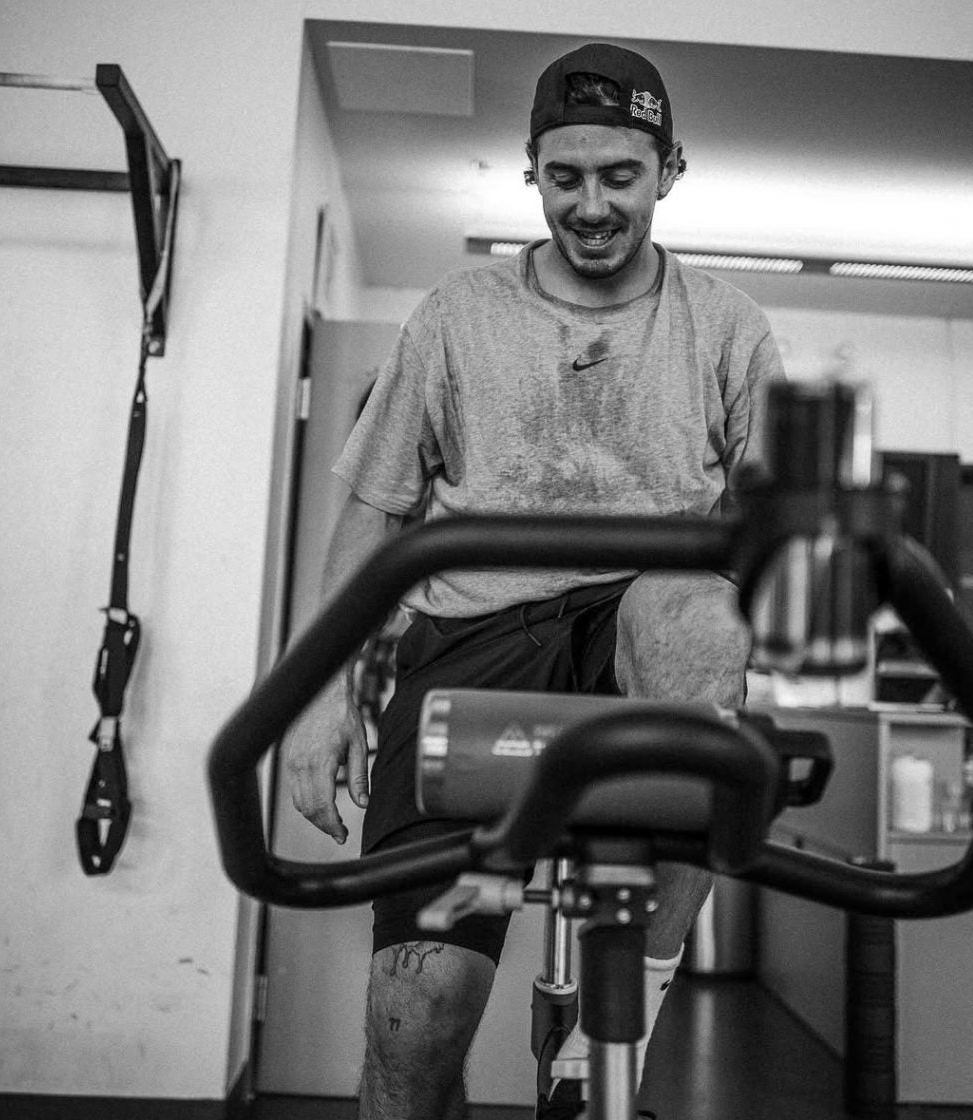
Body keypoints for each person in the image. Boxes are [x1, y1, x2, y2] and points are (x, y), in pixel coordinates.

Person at [287, 41, 785, 1120]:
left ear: (668, 171)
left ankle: (610, 1037)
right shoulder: (456, 314)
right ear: (533, 173)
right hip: (472, 649)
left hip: (635, 635)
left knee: (700, 609)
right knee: (416, 1025)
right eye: (566, 177)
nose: (591, 205)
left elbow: (771, 529)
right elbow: (375, 510)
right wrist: (318, 697)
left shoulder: (729, 329)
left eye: (620, 175)